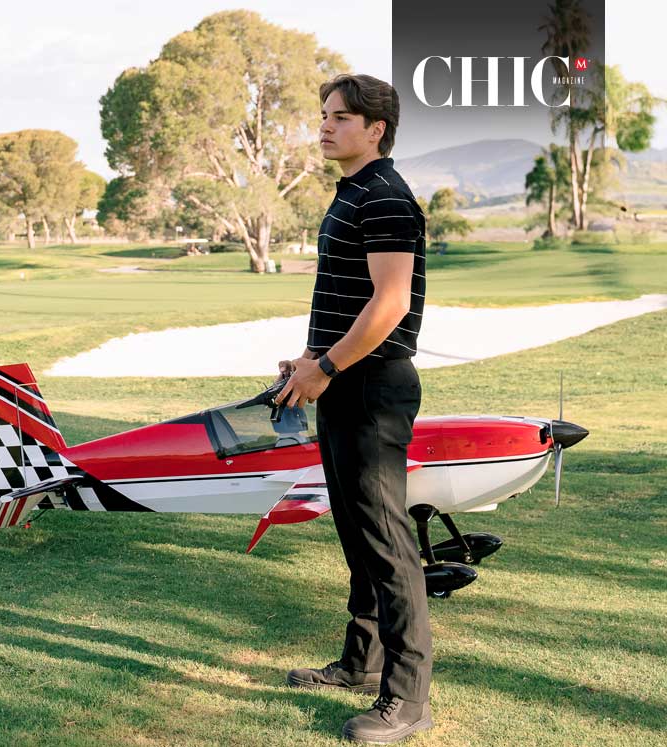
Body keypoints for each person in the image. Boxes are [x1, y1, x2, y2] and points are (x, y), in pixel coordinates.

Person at [275, 73, 432, 744]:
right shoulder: (354, 193)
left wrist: (329, 365)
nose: (326, 125)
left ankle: (407, 698)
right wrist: (311, 360)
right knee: (357, 536)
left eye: (342, 116)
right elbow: (348, 300)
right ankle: (359, 663)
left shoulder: (388, 196)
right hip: (342, 383)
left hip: (372, 389)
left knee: (388, 544)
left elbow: (390, 304)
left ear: (377, 129)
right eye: (325, 115)